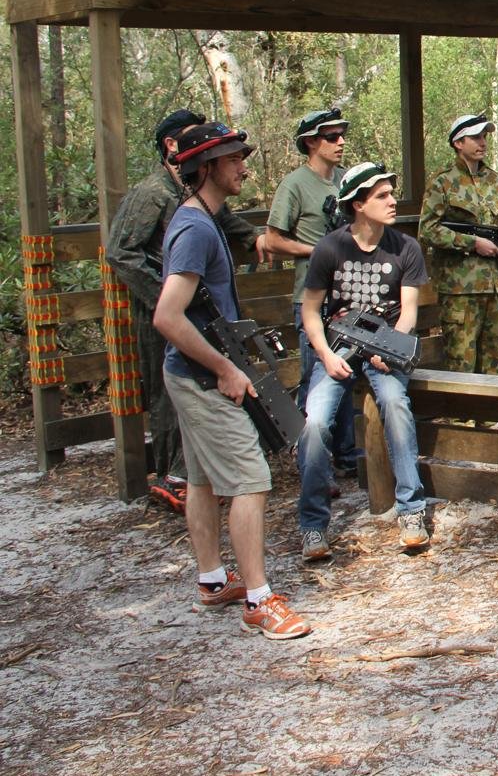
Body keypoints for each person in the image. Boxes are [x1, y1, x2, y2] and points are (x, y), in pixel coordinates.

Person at [151, 121, 311, 639]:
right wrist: (224, 368)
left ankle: (213, 580)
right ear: (207, 168)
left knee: (201, 478)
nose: (243, 165)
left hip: (191, 373)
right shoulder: (196, 228)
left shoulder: (205, 219)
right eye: (233, 158)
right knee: (250, 480)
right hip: (203, 375)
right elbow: (168, 316)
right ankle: (261, 601)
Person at [106, 108, 271, 512]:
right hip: (159, 308)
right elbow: (120, 253)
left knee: (194, 388)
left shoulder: (197, 196)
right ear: (174, 146)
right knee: (167, 391)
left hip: (194, 307)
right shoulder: (152, 192)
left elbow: (235, 229)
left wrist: (270, 242)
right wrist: (165, 293)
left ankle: (192, 473)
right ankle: (169, 476)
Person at [296, 163, 432, 560]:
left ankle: (411, 511)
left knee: (395, 405)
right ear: (358, 204)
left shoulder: (406, 247)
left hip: (385, 347)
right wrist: (324, 355)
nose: (392, 202)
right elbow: (310, 312)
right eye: (382, 196)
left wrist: (392, 347)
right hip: (337, 347)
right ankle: (313, 526)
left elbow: (408, 311)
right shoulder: (329, 248)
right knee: (316, 421)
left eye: (392, 193)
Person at [266, 108, 355, 471]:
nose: (341, 142)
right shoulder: (294, 185)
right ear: (310, 143)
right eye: (332, 137)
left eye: (341, 135)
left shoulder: (343, 184)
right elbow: (273, 239)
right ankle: (311, 460)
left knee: (346, 372)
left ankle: (347, 455)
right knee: (314, 378)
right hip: (312, 297)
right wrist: (317, 251)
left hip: (346, 297)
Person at [419, 114, 498, 374]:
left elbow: (497, 227)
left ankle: (495, 416)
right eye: (476, 137)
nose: (483, 142)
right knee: (461, 362)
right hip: (460, 290)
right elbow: (428, 230)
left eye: (485, 136)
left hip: (496, 286)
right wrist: (473, 243)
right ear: (458, 142)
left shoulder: (496, 181)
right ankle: (462, 417)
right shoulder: (442, 181)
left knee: (497, 361)